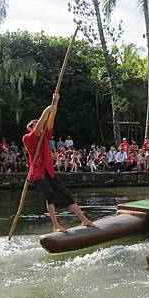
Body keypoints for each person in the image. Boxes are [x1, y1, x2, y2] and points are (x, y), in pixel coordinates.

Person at [22, 93, 95, 233]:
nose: (41, 127)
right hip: (37, 174)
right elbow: (43, 121)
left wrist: (56, 102)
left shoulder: (45, 136)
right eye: (37, 125)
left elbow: (51, 119)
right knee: (50, 194)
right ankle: (55, 225)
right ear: (31, 129)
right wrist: (46, 110)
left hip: (49, 172)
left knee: (67, 195)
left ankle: (83, 219)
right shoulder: (27, 138)